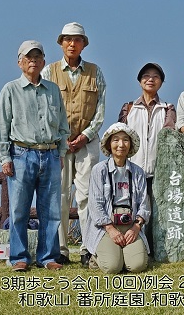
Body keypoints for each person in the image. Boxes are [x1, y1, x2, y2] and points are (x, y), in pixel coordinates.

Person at [0, 40, 70, 272]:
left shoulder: (53, 89)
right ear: (20, 63)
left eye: (37, 56)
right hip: (21, 155)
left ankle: (48, 257)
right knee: (19, 210)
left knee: (51, 210)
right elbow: (0, 126)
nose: (33, 60)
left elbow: (63, 125)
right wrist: (4, 158)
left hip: (51, 154)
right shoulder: (10, 89)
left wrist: (62, 153)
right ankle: (19, 257)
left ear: (44, 61)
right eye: (28, 57)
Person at [42, 22, 106, 267]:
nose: (72, 43)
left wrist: (85, 136)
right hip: (57, 143)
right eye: (67, 39)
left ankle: (87, 248)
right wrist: (61, 138)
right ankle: (60, 249)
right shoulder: (49, 72)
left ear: (83, 44)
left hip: (86, 142)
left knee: (87, 196)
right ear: (61, 43)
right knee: (59, 196)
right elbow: (45, 108)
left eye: (77, 40)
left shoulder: (95, 71)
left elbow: (100, 109)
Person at [118, 62, 176, 253]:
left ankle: (154, 249)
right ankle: (133, 247)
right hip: (132, 170)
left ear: (161, 82)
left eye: (155, 76)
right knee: (132, 209)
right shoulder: (128, 108)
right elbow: (119, 137)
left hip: (159, 171)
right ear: (140, 81)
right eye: (146, 76)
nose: (150, 79)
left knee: (157, 212)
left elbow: (169, 136)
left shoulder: (167, 108)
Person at [84, 123, 150, 273]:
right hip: (106, 227)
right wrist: (110, 229)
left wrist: (136, 227)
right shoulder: (99, 170)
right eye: (116, 140)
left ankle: (125, 254)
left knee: (137, 266)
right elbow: (95, 205)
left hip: (131, 224)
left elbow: (144, 205)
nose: (121, 145)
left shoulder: (138, 172)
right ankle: (96, 258)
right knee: (113, 267)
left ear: (131, 144)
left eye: (125, 140)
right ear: (108, 144)